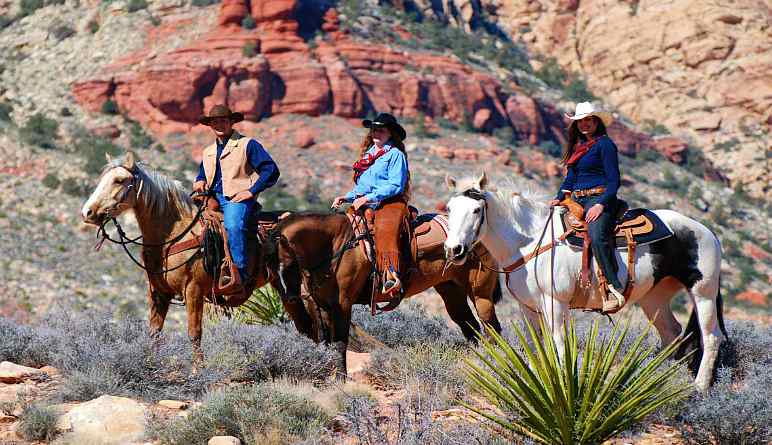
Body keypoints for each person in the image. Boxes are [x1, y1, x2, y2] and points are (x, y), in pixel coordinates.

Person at [548, 101, 625, 313]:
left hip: (600, 198)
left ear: (597, 122)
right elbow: (570, 179)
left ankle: (613, 286)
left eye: (588, 120)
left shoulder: (605, 145)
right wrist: (559, 197)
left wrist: (600, 204)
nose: (584, 124)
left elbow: (614, 181)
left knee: (597, 234)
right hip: (577, 200)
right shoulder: (577, 148)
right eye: (580, 121)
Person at [193, 105, 280, 286]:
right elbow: (203, 173)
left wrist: (251, 191)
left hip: (236, 198)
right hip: (211, 198)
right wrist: (199, 180)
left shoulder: (247, 144)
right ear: (210, 125)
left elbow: (270, 170)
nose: (219, 124)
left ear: (232, 122)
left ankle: (239, 272)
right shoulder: (208, 151)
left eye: (223, 121)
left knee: (233, 226)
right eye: (215, 121)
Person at [331, 113, 410, 297]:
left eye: (381, 130)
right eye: (374, 129)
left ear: (390, 133)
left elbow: (396, 184)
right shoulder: (369, 155)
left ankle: (391, 274)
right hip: (366, 200)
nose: (376, 133)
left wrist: (369, 198)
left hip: (389, 202)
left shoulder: (395, 154)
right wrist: (347, 197)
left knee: (384, 228)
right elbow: (363, 186)